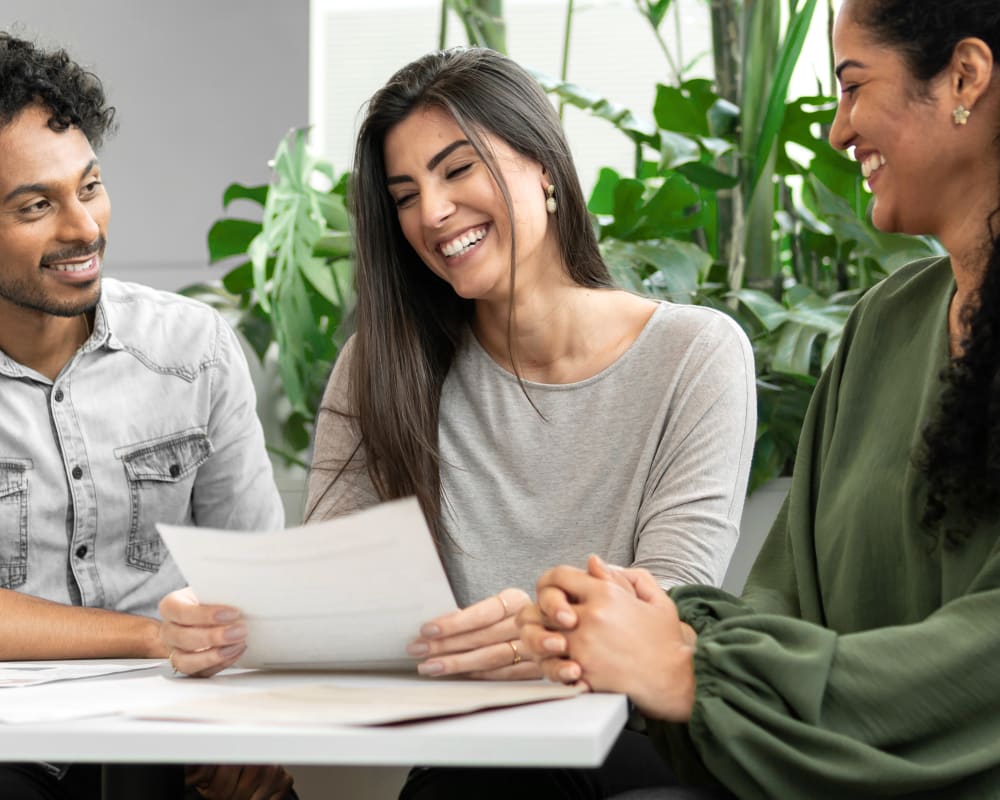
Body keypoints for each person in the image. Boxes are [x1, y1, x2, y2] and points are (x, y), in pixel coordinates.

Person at [161, 46, 755, 796]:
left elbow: (668, 608)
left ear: (543, 165)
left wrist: (541, 634)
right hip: (468, 757)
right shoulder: (381, 367)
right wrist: (227, 621)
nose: (432, 214)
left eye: (457, 169)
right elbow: (332, 603)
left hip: (629, 745)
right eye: (405, 194)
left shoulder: (694, 355)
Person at [519, 0, 1000, 797]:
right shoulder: (885, 325)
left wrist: (694, 672)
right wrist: (665, 622)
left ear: (964, 77)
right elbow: (789, 594)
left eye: (853, 86)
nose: (837, 131)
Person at [0, 32, 295, 800]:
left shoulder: (192, 352)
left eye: (89, 187)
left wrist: (255, 728)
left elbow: (261, 578)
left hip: (179, 738)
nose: (84, 229)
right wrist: (147, 635)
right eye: (37, 205)